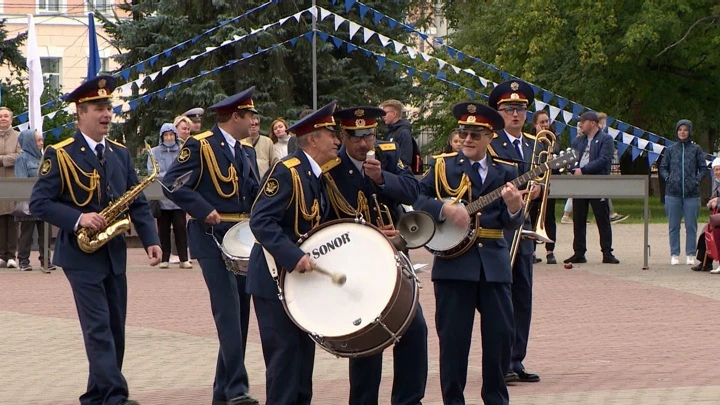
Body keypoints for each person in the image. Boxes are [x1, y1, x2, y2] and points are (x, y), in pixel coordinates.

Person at [29, 75, 162, 405]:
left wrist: (150, 239)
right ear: (81, 112)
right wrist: (78, 218)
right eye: (100, 108)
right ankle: (116, 396)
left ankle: (95, 396)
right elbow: (39, 203)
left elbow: (137, 202)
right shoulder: (61, 154)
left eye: (109, 107)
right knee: (99, 328)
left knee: (115, 329)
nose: (107, 114)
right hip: (81, 254)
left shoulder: (119, 153)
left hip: (114, 253)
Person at [414, 101, 524, 405]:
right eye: (464, 133)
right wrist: (444, 208)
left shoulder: (507, 171)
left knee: (500, 339)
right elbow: (417, 197)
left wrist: (515, 206)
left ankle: (496, 399)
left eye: (476, 135)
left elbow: (509, 220)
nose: (468, 140)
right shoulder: (442, 166)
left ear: (490, 136)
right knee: (453, 343)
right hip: (454, 264)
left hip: (494, 264)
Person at [163, 87, 261, 405]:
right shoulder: (200, 144)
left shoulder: (245, 151)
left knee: (241, 314)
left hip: (243, 238)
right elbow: (173, 182)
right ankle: (237, 389)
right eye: (250, 115)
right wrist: (203, 208)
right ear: (236, 117)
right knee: (228, 311)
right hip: (211, 235)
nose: (255, 120)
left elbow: (255, 193)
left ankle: (223, 393)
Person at [324, 106, 428, 405]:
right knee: (368, 337)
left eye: (369, 135)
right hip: (356, 263)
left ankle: (409, 400)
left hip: (392, 258)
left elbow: (414, 191)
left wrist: (383, 178)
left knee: (414, 328)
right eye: (356, 137)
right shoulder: (331, 168)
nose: (364, 144)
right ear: (343, 136)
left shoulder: (387, 155)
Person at [247, 101, 340, 405]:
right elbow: (260, 220)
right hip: (274, 279)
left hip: (299, 283)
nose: (337, 139)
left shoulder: (317, 175)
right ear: (312, 138)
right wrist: (292, 255)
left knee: (302, 362)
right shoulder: (287, 171)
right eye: (331, 133)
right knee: (285, 361)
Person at [487, 79, 542, 384]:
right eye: (509, 109)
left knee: (523, 294)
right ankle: (500, 359)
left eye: (520, 109)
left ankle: (516, 358)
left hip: (526, 227)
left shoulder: (535, 144)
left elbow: (545, 181)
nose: (516, 114)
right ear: (499, 112)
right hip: (500, 228)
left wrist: (538, 190)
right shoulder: (492, 144)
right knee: (502, 296)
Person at [564, 111, 620, 265]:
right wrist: (574, 169)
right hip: (579, 183)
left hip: (597, 182)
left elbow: (603, 159)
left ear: (593, 123)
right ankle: (579, 252)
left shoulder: (606, 139)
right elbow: (572, 158)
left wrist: (584, 170)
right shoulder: (578, 141)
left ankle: (607, 253)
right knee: (579, 218)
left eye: (583, 121)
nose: (580, 124)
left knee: (602, 218)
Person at [659, 119, 707, 266]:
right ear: (676, 131)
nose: (682, 132)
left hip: (692, 194)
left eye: (685, 130)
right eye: (680, 130)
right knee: (673, 225)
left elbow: (703, 168)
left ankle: (691, 253)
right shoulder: (671, 149)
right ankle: (674, 253)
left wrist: (696, 180)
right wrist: (669, 178)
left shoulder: (696, 149)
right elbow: (663, 167)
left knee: (691, 225)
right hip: (672, 193)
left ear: (689, 132)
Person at [148, 123, 190, 269]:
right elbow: (152, 171)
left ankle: (184, 259)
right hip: (161, 196)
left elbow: (184, 169)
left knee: (180, 228)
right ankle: (164, 259)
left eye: (171, 134)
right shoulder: (154, 152)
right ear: (162, 137)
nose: (169, 137)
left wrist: (171, 177)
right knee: (163, 229)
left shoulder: (182, 150)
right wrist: (168, 177)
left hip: (178, 196)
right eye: (166, 135)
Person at [15, 130, 54, 271]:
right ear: (30, 142)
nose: (41, 143)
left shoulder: (42, 158)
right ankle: (23, 261)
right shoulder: (22, 159)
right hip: (29, 202)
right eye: (38, 140)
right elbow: (21, 180)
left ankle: (46, 260)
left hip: (44, 201)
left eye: (42, 140)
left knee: (46, 232)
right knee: (27, 233)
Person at [529, 110, 557, 264]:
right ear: (535, 125)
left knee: (549, 217)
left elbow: (557, 156)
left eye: (547, 121)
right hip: (533, 184)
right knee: (532, 216)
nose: (545, 124)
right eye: (542, 122)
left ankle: (550, 251)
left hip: (547, 183)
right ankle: (532, 251)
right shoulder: (531, 140)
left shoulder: (553, 139)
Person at [0, 107, 21, 268]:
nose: (3, 119)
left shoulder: (18, 136)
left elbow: (20, 155)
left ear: (11, 119)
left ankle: (12, 255)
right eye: (0, 116)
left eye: (6, 116)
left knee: (12, 219)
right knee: (0, 220)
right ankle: (1, 255)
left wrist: (2, 160)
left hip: (13, 181)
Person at [693, 157, 720, 272]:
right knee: (705, 232)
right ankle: (705, 262)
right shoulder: (715, 181)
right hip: (717, 214)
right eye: (715, 170)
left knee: (717, 232)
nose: (718, 172)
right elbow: (714, 196)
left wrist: (717, 201)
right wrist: (711, 201)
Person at [380, 99, 420, 171]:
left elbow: (405, 161)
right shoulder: (391, 132)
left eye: (385, 113)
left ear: (394, 114)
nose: (383, 116)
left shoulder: (404, 133)